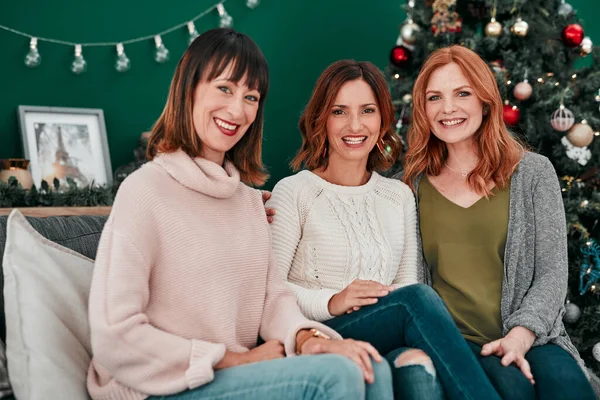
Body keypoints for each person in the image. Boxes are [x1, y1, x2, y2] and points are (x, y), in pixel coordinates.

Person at [86, 28, 394, 400]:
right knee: (332, 377)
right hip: (157, 387)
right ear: (189, 89)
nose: (237, 110)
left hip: (232, 378)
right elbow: (114, 334)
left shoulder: (248, 203)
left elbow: (273, 301)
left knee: (371, 368)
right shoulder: (145, 190)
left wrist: (309, 339)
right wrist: (231, 360)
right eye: (224, 89)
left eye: (251, 97)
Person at [266, 59, 502, 400]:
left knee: (417, 364)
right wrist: (334, 300)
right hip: (318, 332)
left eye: (367, 110)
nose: (355, 125)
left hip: (384, 332)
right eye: (339, 111)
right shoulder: (295, 192)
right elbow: (270, 290)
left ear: (382, 120)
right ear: (321, 119)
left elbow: (405, 285)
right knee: (416, 301)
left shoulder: (398, 196)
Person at [402, 45, 599, 399]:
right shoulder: (409, 186)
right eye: (435, 97)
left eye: (462, 93)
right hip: (457, 346)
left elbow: (552, 274)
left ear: (485, 100)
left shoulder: (533, 173)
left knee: (570, 390)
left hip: (533, 335)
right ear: (423, 109)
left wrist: (520, 337)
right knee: (513, 390)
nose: (448, 108)